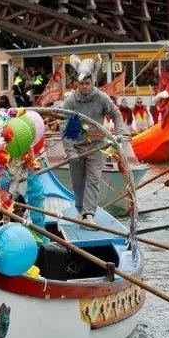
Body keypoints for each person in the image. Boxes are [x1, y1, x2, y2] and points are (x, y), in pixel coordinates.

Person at [62, 54, 129, 223]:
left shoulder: (101, 98)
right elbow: (63, 125)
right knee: (78, 183)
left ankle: (89, 214)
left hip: (96, 146)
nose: (85, 87)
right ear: (77, 84)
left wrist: (119, 132)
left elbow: (116, 114)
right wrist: (70, 151)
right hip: (76, 147)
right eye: (82, 84)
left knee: (93, 180)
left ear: (92, 82)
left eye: (88, 83)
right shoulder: (70, 101)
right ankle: (80, 210)